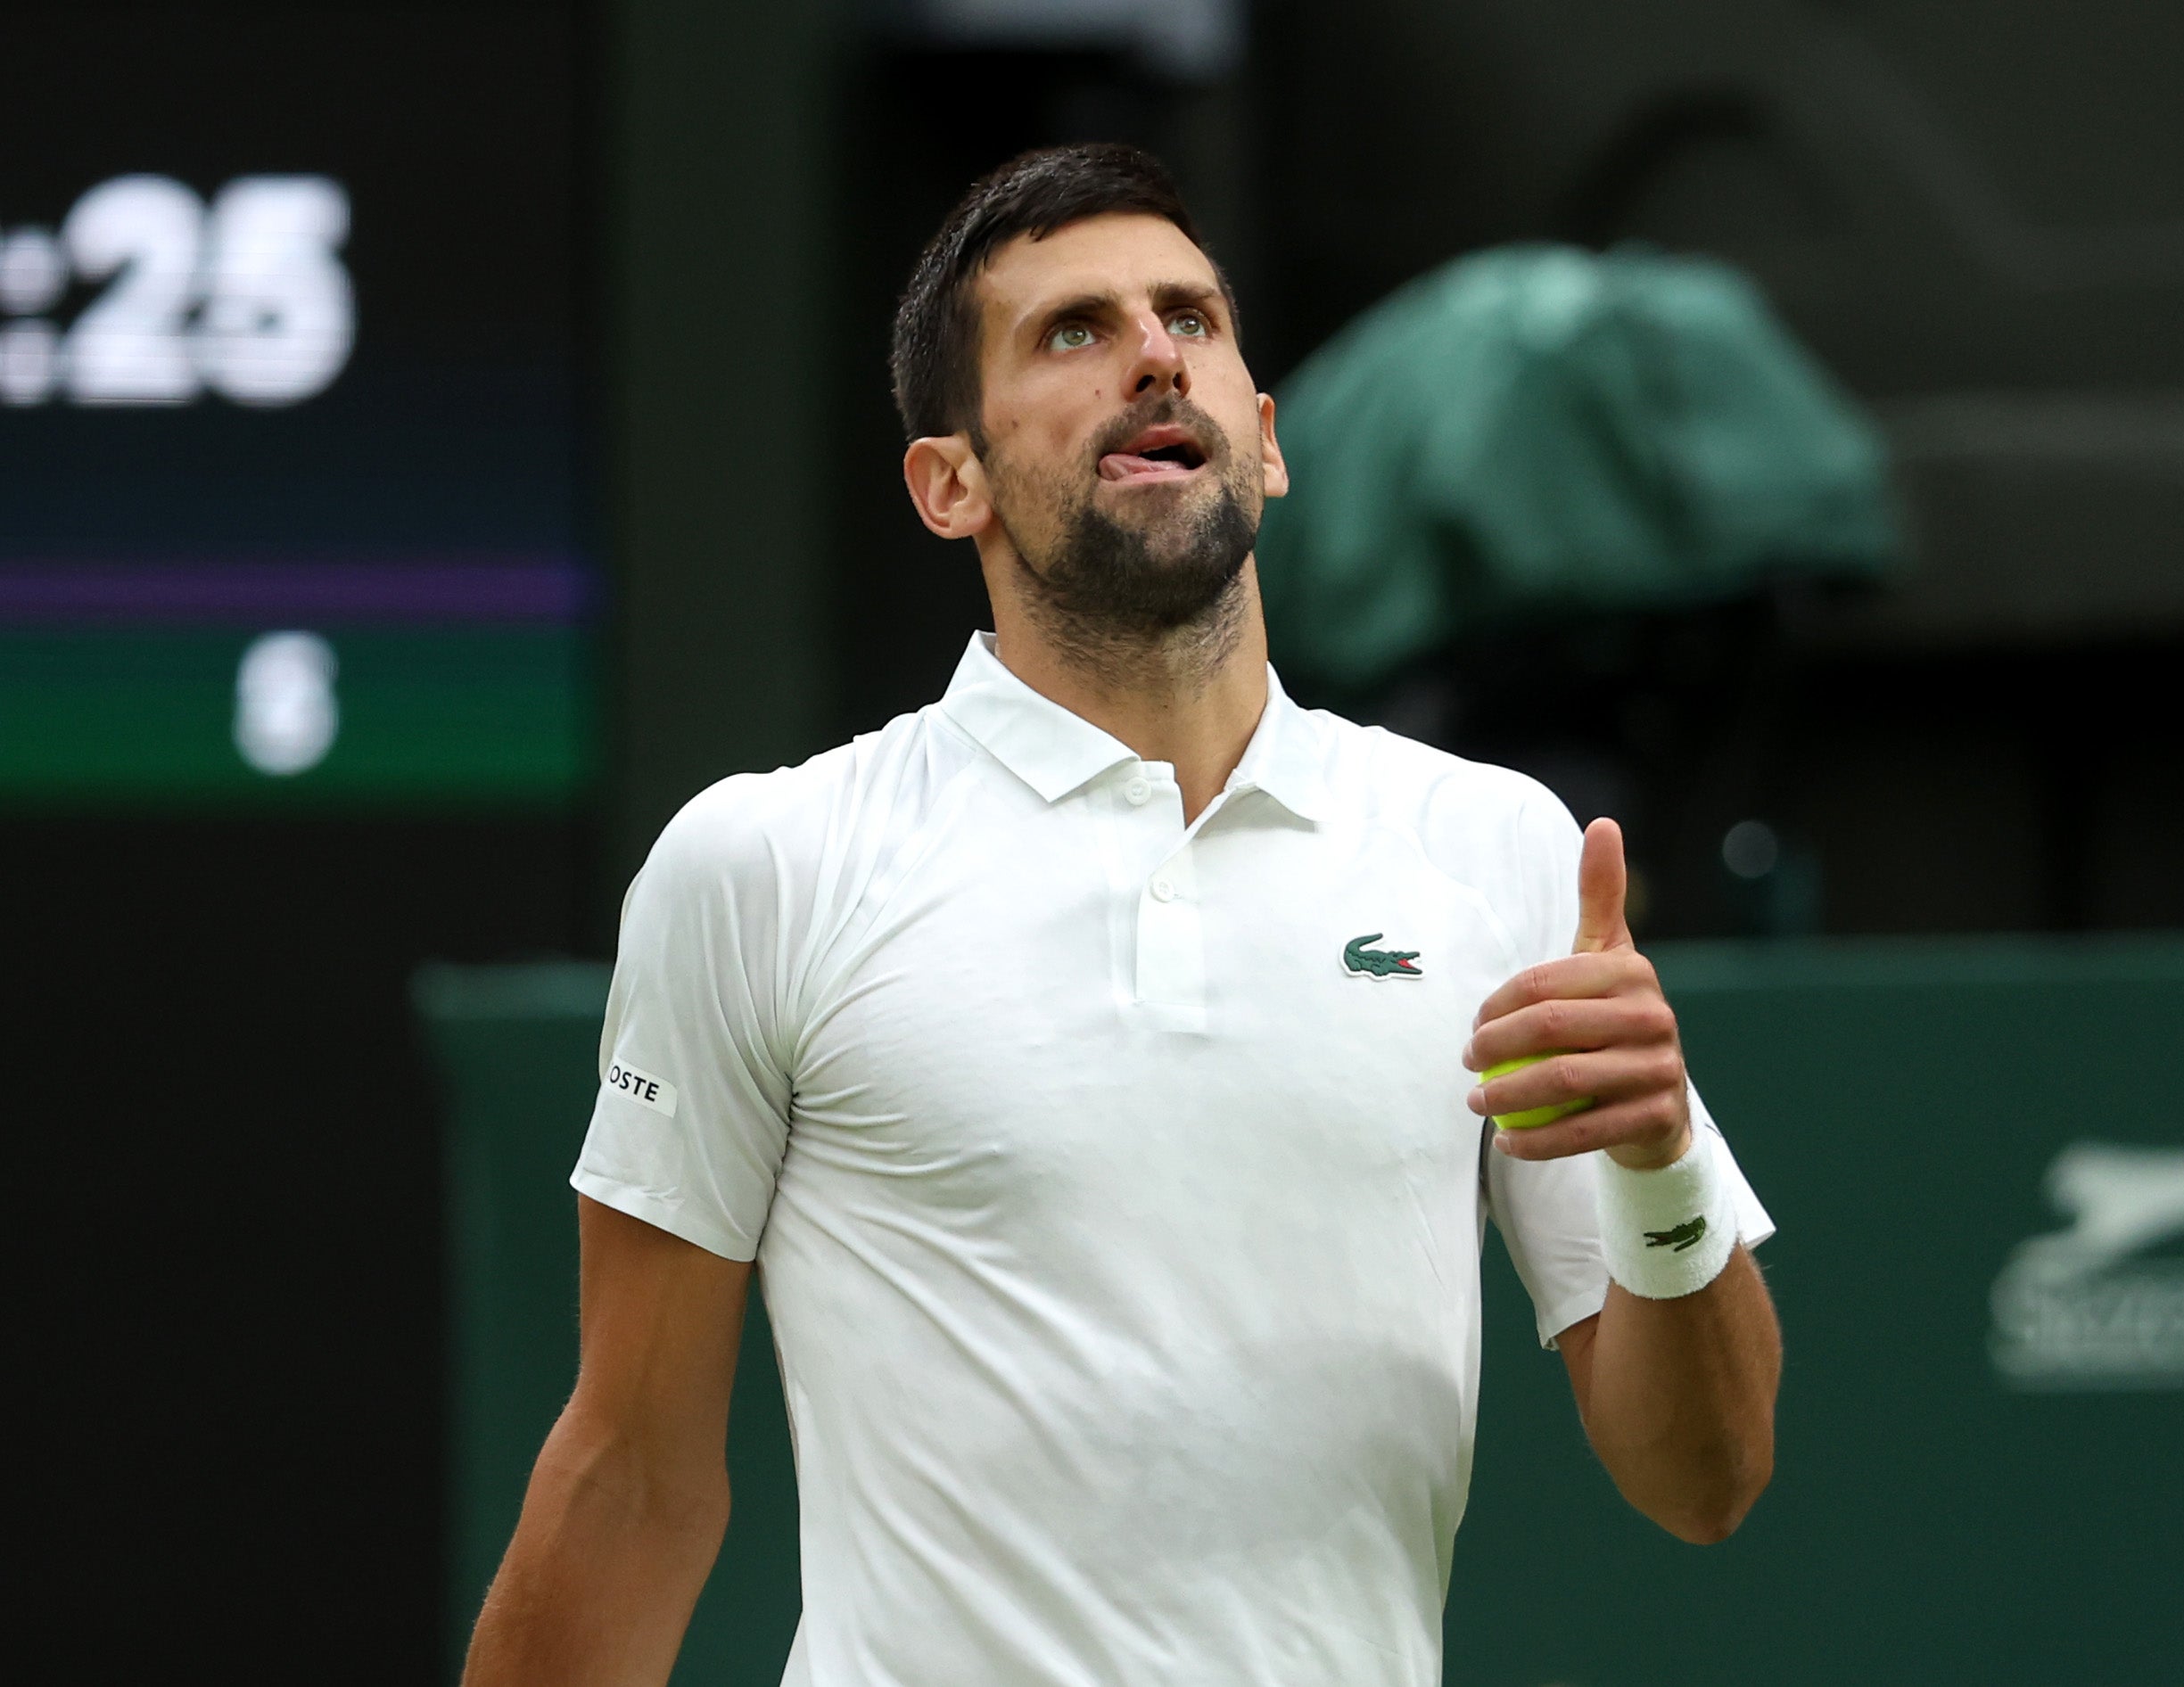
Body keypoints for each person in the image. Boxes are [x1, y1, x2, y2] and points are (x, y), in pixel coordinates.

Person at [462, 144, 1781, 1687]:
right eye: (1072, 332)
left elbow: (1705, 1480)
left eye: (1191, 319)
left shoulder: (1494, 847)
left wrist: (1657, 1157)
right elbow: (631, 1480)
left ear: (1266, 445)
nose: (1155, 352)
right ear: (947, 481)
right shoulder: (765, 864)